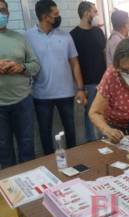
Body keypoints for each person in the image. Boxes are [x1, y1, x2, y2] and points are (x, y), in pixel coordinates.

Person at [26, 0, 86, 155]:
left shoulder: (65, 36)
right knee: (45, 133)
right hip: (41, 95)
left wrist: (80, 88)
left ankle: (74, 157)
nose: (59, 17)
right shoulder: (27, 37)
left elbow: (75, 63)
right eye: (56, 14)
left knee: (70, 130)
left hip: (66, 93)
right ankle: (49, 163)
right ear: (46, 17)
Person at [0, 0, 40, 168]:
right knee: (3, 149)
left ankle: (29, 180)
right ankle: (10, 186)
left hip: (23, 101)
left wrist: (21, 66)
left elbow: (35, 65)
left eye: (2, 10)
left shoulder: (20, 38)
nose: (1, 14)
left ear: (8, 13)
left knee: (27, 144)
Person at [70, 1, 106, 142]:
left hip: (103, 81)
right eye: (94, 11)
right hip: (87, 84)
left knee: (105, 114)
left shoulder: (98, 31)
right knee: (90, 115)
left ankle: (107, 143)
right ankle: (92, 145)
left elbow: (104, 54)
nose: (96, 14)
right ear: (86, 13)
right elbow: (73, 63)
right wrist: (79, 87)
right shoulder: (73, 35)